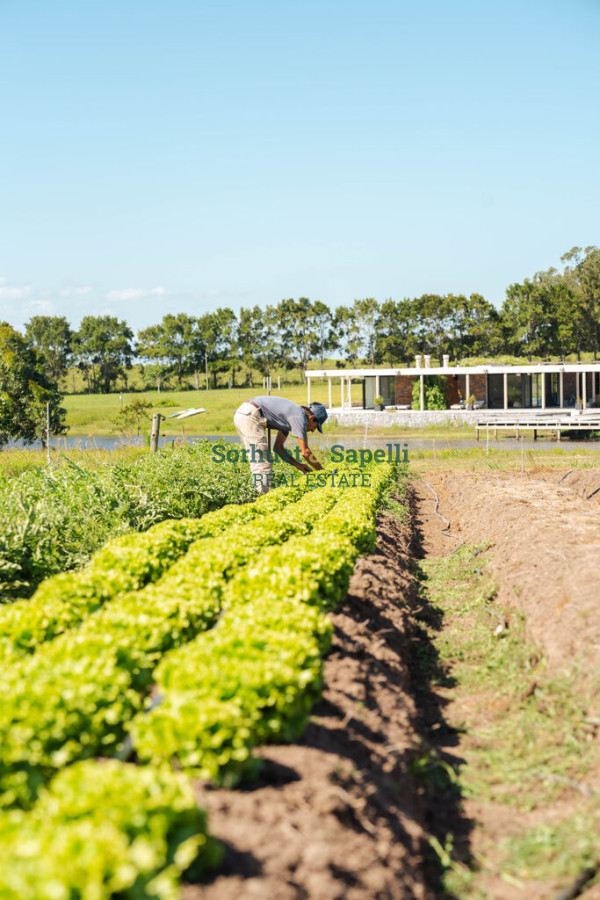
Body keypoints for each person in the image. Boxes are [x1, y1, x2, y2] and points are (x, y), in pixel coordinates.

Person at [233, 396, 328, 493]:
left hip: (246, 413)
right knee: (262, 460)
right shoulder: (300, 417)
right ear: (311, 419)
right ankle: (262, 497)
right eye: (315, 427)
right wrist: (323, 472)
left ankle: (262, 493)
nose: (312, 431)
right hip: (251, 414)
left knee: (261, 458)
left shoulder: (291, 418)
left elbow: (278, 448)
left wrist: (297, 465)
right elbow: (305, 452)